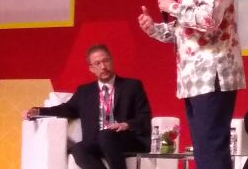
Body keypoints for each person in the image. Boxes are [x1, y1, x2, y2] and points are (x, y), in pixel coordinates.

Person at [138, 0, 245, 169]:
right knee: (204, 149)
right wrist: (153, 28)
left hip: (213, 74)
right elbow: (185, 30)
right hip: (194, 78)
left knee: (212, 147)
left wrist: (172, 7)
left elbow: (209, 20)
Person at [23, 44, 152, 169]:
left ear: (112, 61)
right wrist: (37, 111)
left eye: (105, 61)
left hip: (125, 139)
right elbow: (66, 109)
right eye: (97, 63)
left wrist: (126, 124)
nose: (103, 66)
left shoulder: (132, 86)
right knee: (78, 149)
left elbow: (145, 116)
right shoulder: (85, 91)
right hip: (96, 141)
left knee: (106, 136)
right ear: (91, 68)